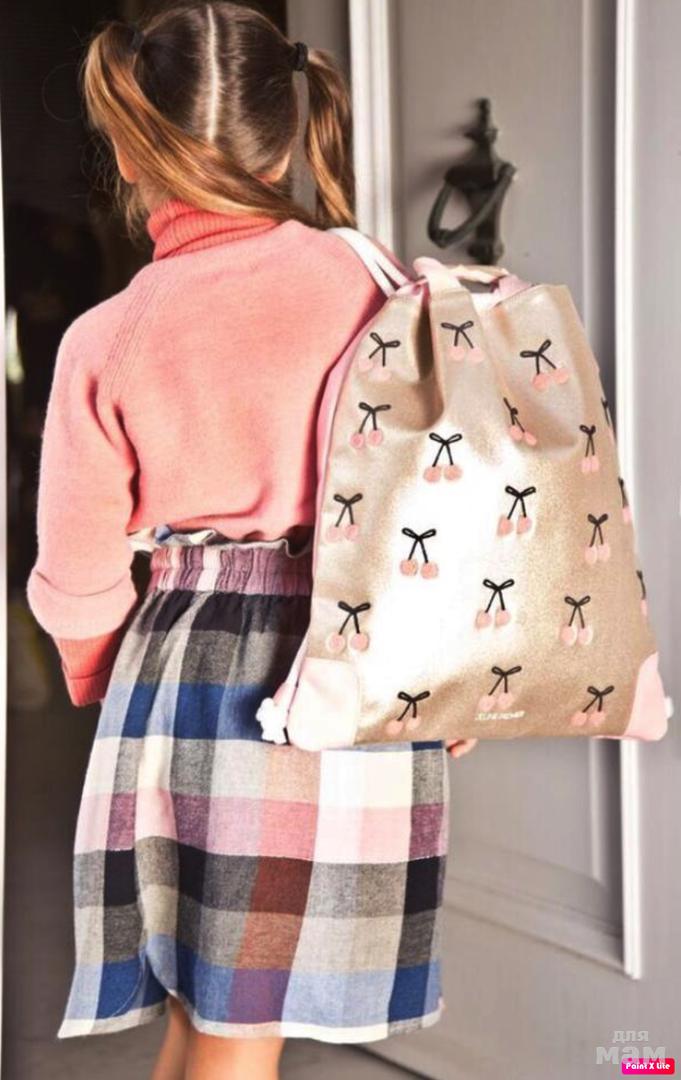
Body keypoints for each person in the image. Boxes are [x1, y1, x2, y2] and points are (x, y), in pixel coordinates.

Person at [26, 3, 477, 1077]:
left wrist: (102, 681)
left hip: (191, 670)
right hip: (356, 657)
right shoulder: (377, 289)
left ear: (128, 152)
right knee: (232, 1017)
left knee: (214, 1013)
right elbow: (441, 496)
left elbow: (78, 576)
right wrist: (448, 674)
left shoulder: (109, 335)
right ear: (286, 138)